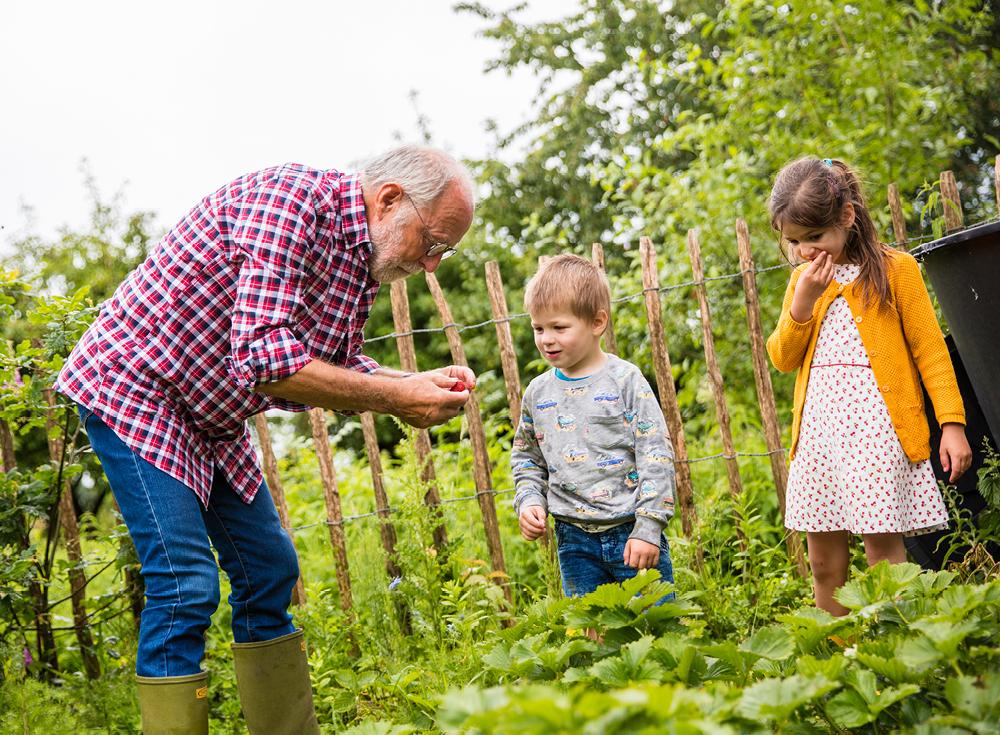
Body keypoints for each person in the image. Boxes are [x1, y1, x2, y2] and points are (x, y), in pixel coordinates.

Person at [54, 145, 477, 734]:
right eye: (432, 243)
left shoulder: (363, 261)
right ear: (388, 200)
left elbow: (335, 362)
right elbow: (269, 361)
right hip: (138, 387)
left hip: (211, 412)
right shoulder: (291, 204)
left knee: (270, 570)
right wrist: (395, 398)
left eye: (444, 252)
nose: (432, 265)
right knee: (184, 584)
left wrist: (413, 383)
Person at [766, 157, 973, 616]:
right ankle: (835, 648)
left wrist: (952, 424)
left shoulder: (896, 271)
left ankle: (894, 642)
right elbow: (782, 358)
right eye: (794, 241)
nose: (803, 251)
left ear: (847, 216)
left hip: (876, 436)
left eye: (814, 237)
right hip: (819, 439)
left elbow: (931, 354)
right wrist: (802, 306)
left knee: (883, 551)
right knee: (823, 561)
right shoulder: (803, 282)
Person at [512, 254, 676, 603]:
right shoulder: (537, 393)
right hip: (573, 539)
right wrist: (528, 501)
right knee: (591, 634)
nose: (546, 340)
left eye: (559, 327)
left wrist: (649, 526)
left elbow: (655, 454)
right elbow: (527, 458)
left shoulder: (625, 381)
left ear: (597, 322)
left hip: (632, 531)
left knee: (657, 626)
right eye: (538, 328)